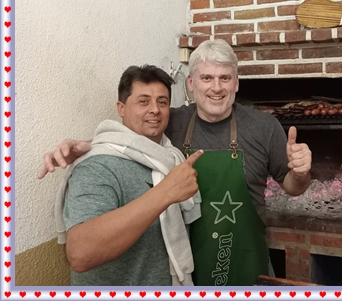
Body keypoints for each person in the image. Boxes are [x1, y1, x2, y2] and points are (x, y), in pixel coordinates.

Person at [41, 39, 312, 286]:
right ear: (191, 83)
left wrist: (300, 173)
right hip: (188, 268)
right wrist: (90, 146)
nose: (216, 87)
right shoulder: (171, 120)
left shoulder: (265, 127)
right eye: (206, 78)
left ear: (236, 83)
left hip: (244, 261)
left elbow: (293, 187)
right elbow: (132, 139)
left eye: (225, 78)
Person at [56, 65, 203, 286]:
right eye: (143, 101)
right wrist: (166, 192)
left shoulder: (170, 157)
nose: (155, 109)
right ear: (121, 108)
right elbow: (80, 254)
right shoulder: (97, 166)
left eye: (162, 102)